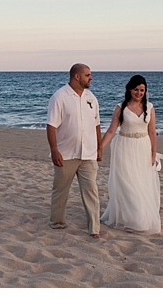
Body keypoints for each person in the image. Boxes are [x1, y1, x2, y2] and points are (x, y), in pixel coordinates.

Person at [100, 74, 162, 234]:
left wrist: (153, 153)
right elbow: (112, 130)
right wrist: (100, 147)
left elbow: (152, 132)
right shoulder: (121, 107)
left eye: (142, 90)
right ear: (129, 89)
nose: (139, 93)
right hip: (124, 147)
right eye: (136, 89)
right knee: (128, 183)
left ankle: (140, 217)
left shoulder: (150, 108)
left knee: (141, 183)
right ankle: (132, 218)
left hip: (143, 147)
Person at [46, 63, 102, 238]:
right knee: (61, 190)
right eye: (87, 75)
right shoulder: (59, 97)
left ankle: (94, 229)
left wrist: (99, 148)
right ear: (77, 76)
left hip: (88, 154)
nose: (91, 77)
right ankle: (57, 222)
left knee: (91, 191)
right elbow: (51, 126)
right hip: (66, 153)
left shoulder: (91, 98)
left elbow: (97, 124)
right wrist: (54, 150)